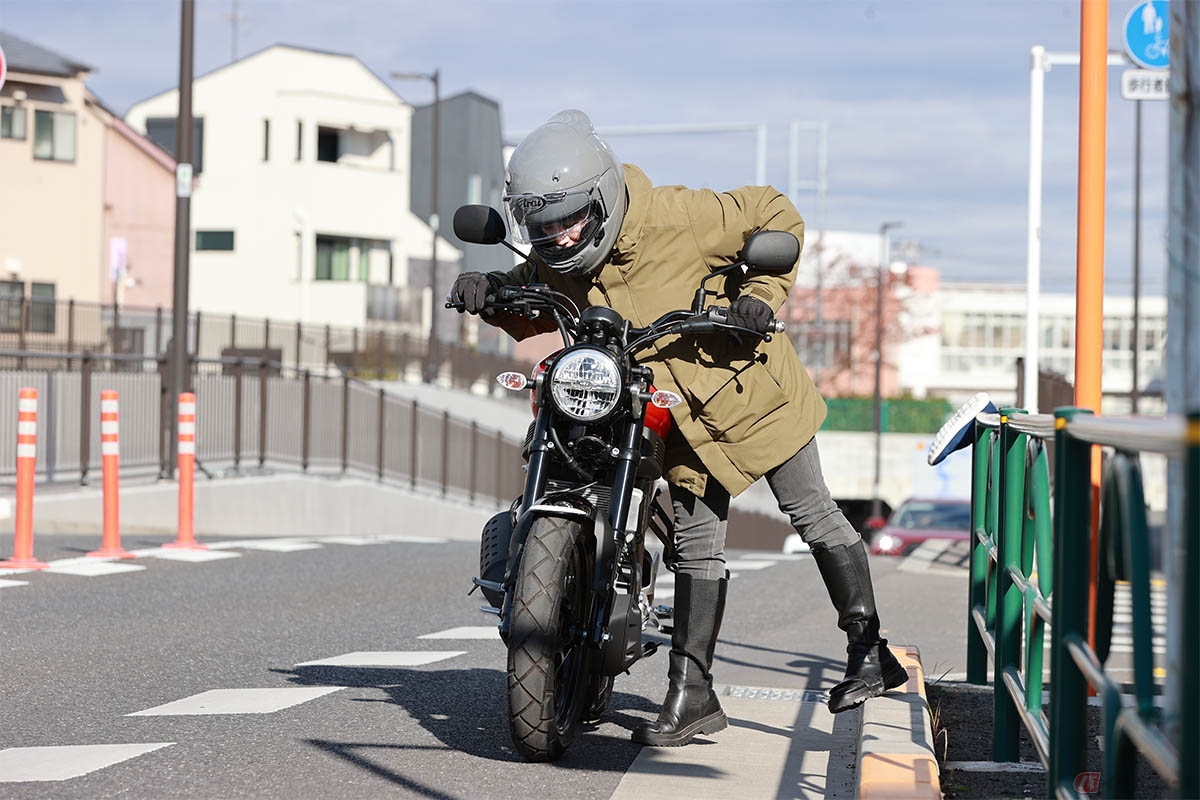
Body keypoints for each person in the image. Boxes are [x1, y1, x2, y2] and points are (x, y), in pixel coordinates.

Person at [450, 109, 906, 747]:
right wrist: (486, 289)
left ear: (602, 200)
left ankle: (867, 651)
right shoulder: (561, 254)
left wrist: (760, 299)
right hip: (671, 414)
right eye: (540, 226)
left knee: (812, 513)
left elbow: (777, 215)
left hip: (751, 397)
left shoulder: (682, 217)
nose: (555, 237)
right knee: (695, 544)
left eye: (566, 220)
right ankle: (692, 693)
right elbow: (532, 294)